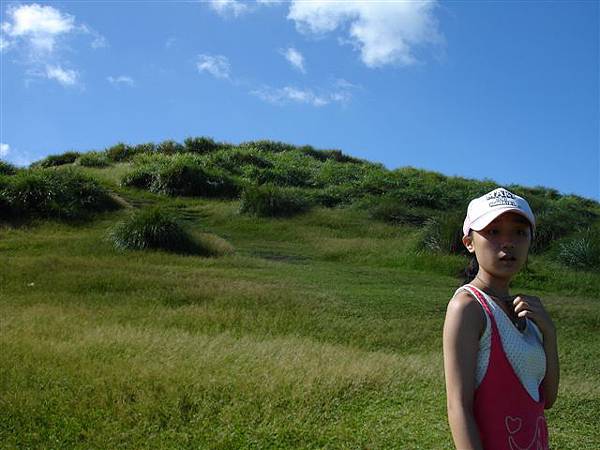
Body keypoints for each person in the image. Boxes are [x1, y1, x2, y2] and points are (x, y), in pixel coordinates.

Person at [443, 187, 559, 450]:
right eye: (494, 232)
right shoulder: (469, 307)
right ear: (469, 242)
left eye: (519, 232)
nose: (508, 242)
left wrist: (549, 334)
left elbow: (547, 399)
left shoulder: (527, 313)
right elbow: (458, 406)